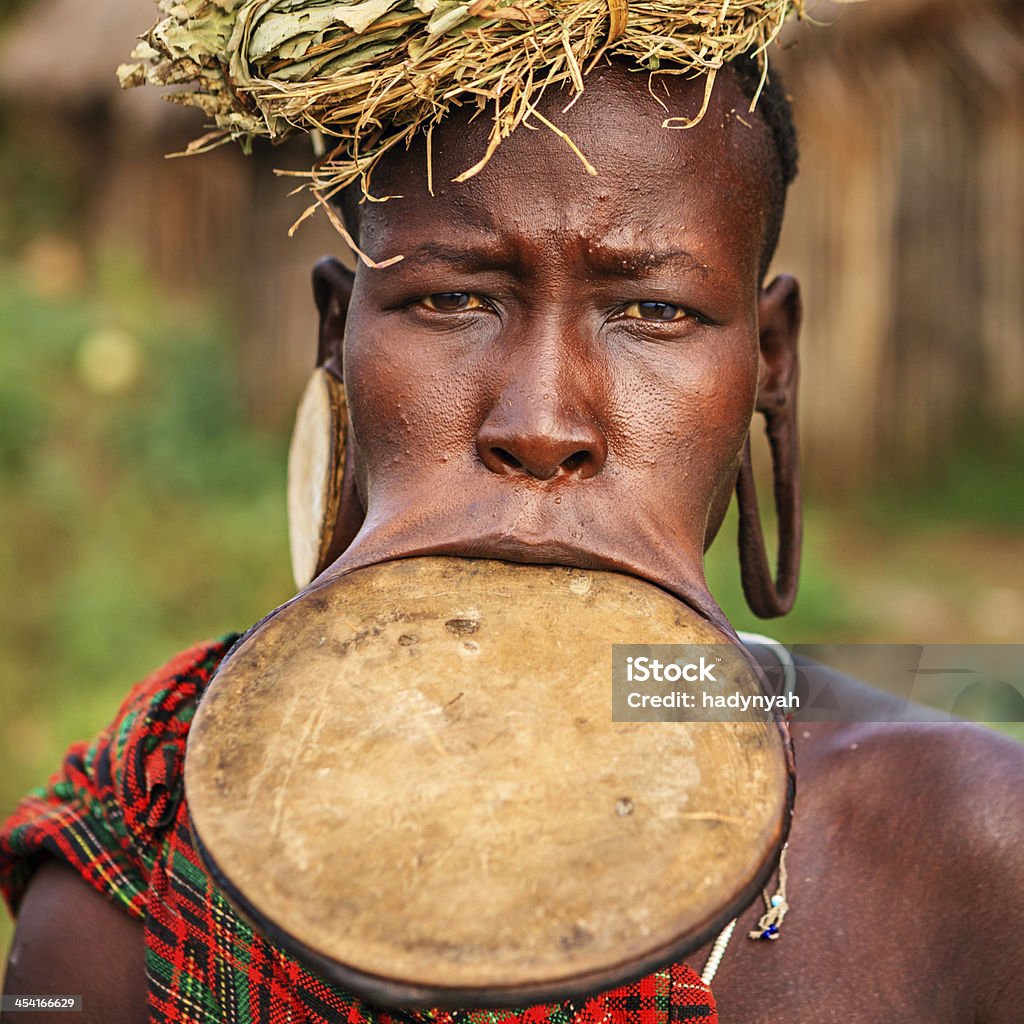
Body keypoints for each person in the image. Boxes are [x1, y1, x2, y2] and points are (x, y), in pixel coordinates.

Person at [3, 6, 1024, 1023]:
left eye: (654, 311)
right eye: (454, 300)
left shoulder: (970, 850)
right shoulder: (146, 840)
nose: (539, 425)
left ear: (768, 361)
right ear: (335, 336)